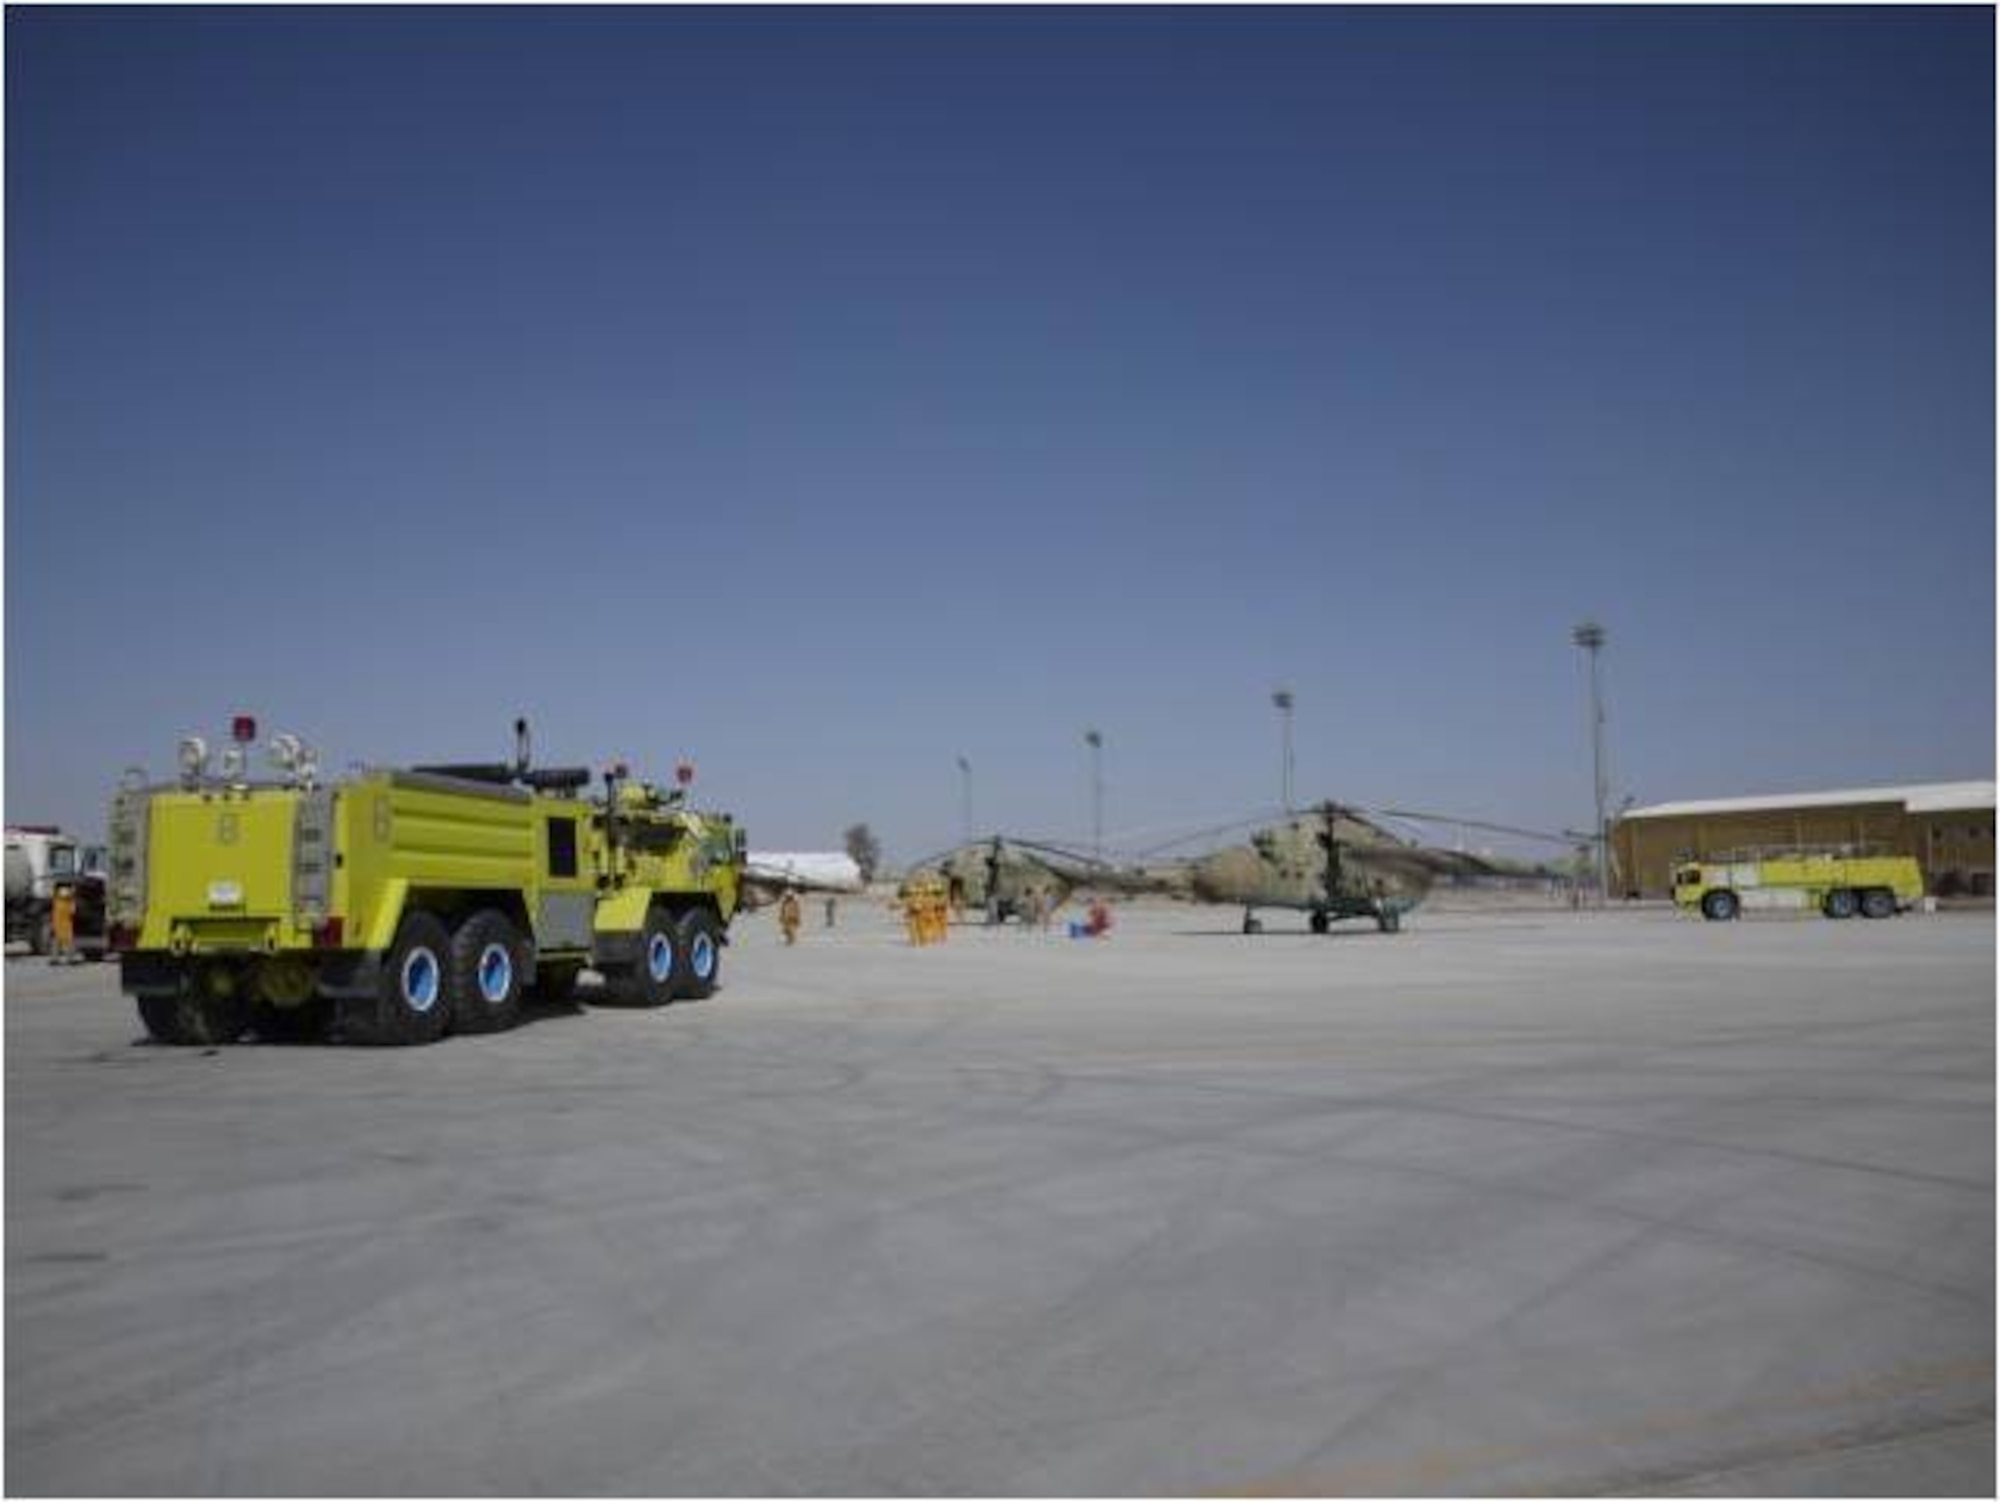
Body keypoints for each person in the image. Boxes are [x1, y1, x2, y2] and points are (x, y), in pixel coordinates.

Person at [49, 880, 77, 965]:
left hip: (64, 924)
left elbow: (72, 911)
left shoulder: (62, 901)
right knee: (59, 942)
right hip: (60, 924)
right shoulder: (59, 900)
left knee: (64, 942)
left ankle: (66, 958)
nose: (64, 892)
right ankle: (57, 958)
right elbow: (72, 911)